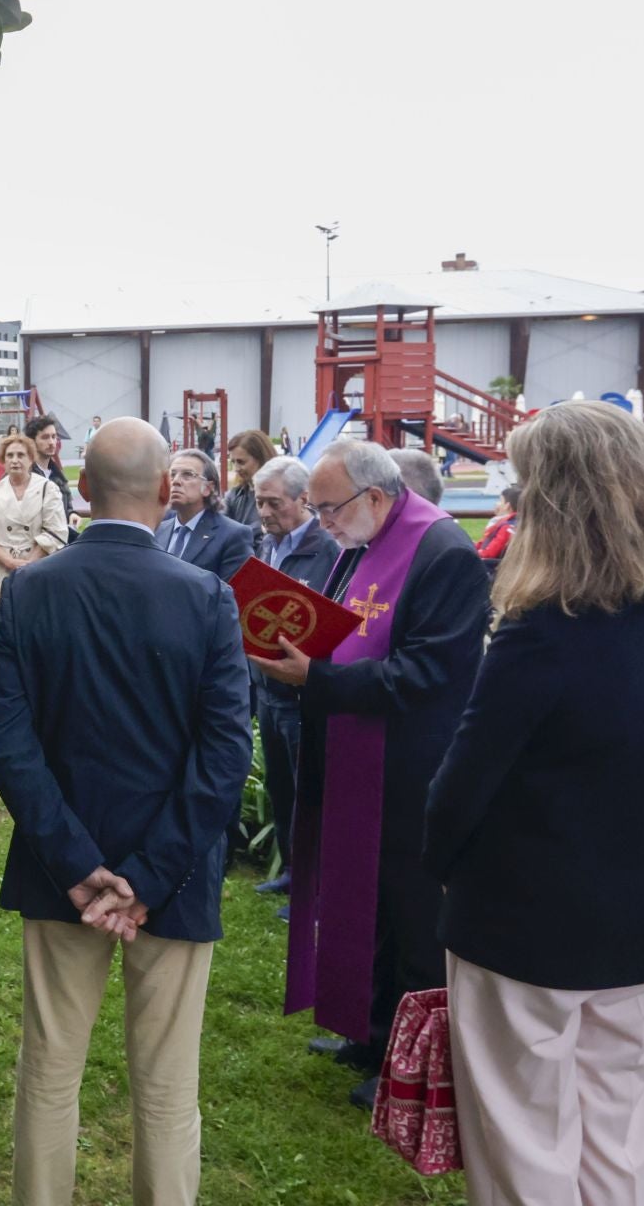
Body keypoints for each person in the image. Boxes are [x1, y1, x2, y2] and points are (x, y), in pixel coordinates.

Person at [424, 400, 644, 1203]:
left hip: (525, 919)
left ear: (554, 501)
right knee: (620, 1134)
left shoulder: (547, 630)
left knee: (524, 1139)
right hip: (643, 909)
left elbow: (464, 782)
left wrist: (438, 862)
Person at [0, 417, 253, 1206]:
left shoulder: (33, 589)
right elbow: (225, 753)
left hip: (66, 869)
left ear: (83, 487)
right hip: (168, 874)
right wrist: (148, 875)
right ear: (168, 492)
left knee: (50, 1071)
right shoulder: (203, 596)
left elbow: (7, 739)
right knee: (167, 1086)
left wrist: (75, 863)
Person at [251, 440, 489, 1109]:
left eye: (327, 508)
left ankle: (410, 1067)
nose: (321, 522)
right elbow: (339, 630)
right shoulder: (359, 541)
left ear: (375, 497)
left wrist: (314, 678)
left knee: (413, 918)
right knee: (368, 905)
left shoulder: (444, 555)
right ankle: (370, 1031)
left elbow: (429, 675)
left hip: (410, 766)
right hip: (356, 753)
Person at [249, 457, 339, 904]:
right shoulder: (266, 543)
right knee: (281, 787)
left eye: (273, 503)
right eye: (258, 501)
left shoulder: (328, 550)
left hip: (302, 690)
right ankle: (291, 872)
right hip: (268, 688)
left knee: (309, 794)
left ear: (304, 499)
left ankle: (316, 887)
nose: (264, 512)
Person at [0, 433, 66, 623]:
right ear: (2, 459)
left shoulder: (48, 489)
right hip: (0, 574)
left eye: (20, 455)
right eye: (10, 455)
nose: (15, 461)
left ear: (31, 458)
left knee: (36, 638)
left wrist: (27, 565)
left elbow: (56, 530)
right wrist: (10, 562)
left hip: (37, 572)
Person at [154, 449, 251, 581]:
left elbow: (231, 594)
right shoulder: (157, 530)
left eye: (187, 475)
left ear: (208, 488)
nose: (176, 481)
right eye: (172, 474)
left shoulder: (233, 535)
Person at [25, 414, 79, 535]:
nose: (51, 442)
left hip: (59, 543)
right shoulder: (22, 476)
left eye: (54, 437)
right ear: (32, 441)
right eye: (45, 437)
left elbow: (67, 507)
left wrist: (72, 514)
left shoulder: (58, 476)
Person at [223, 429, 277, 545]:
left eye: (241, 462)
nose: (236, 468)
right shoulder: (234, 495)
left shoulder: (282, 494)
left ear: (260, 459)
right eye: (233, 462)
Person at [475, 486, 519, 566]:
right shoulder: (516, 522)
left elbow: (489, 553)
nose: (497, 504)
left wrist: (474, 552)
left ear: (507, 506)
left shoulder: (506, 527)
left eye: (500, 501)